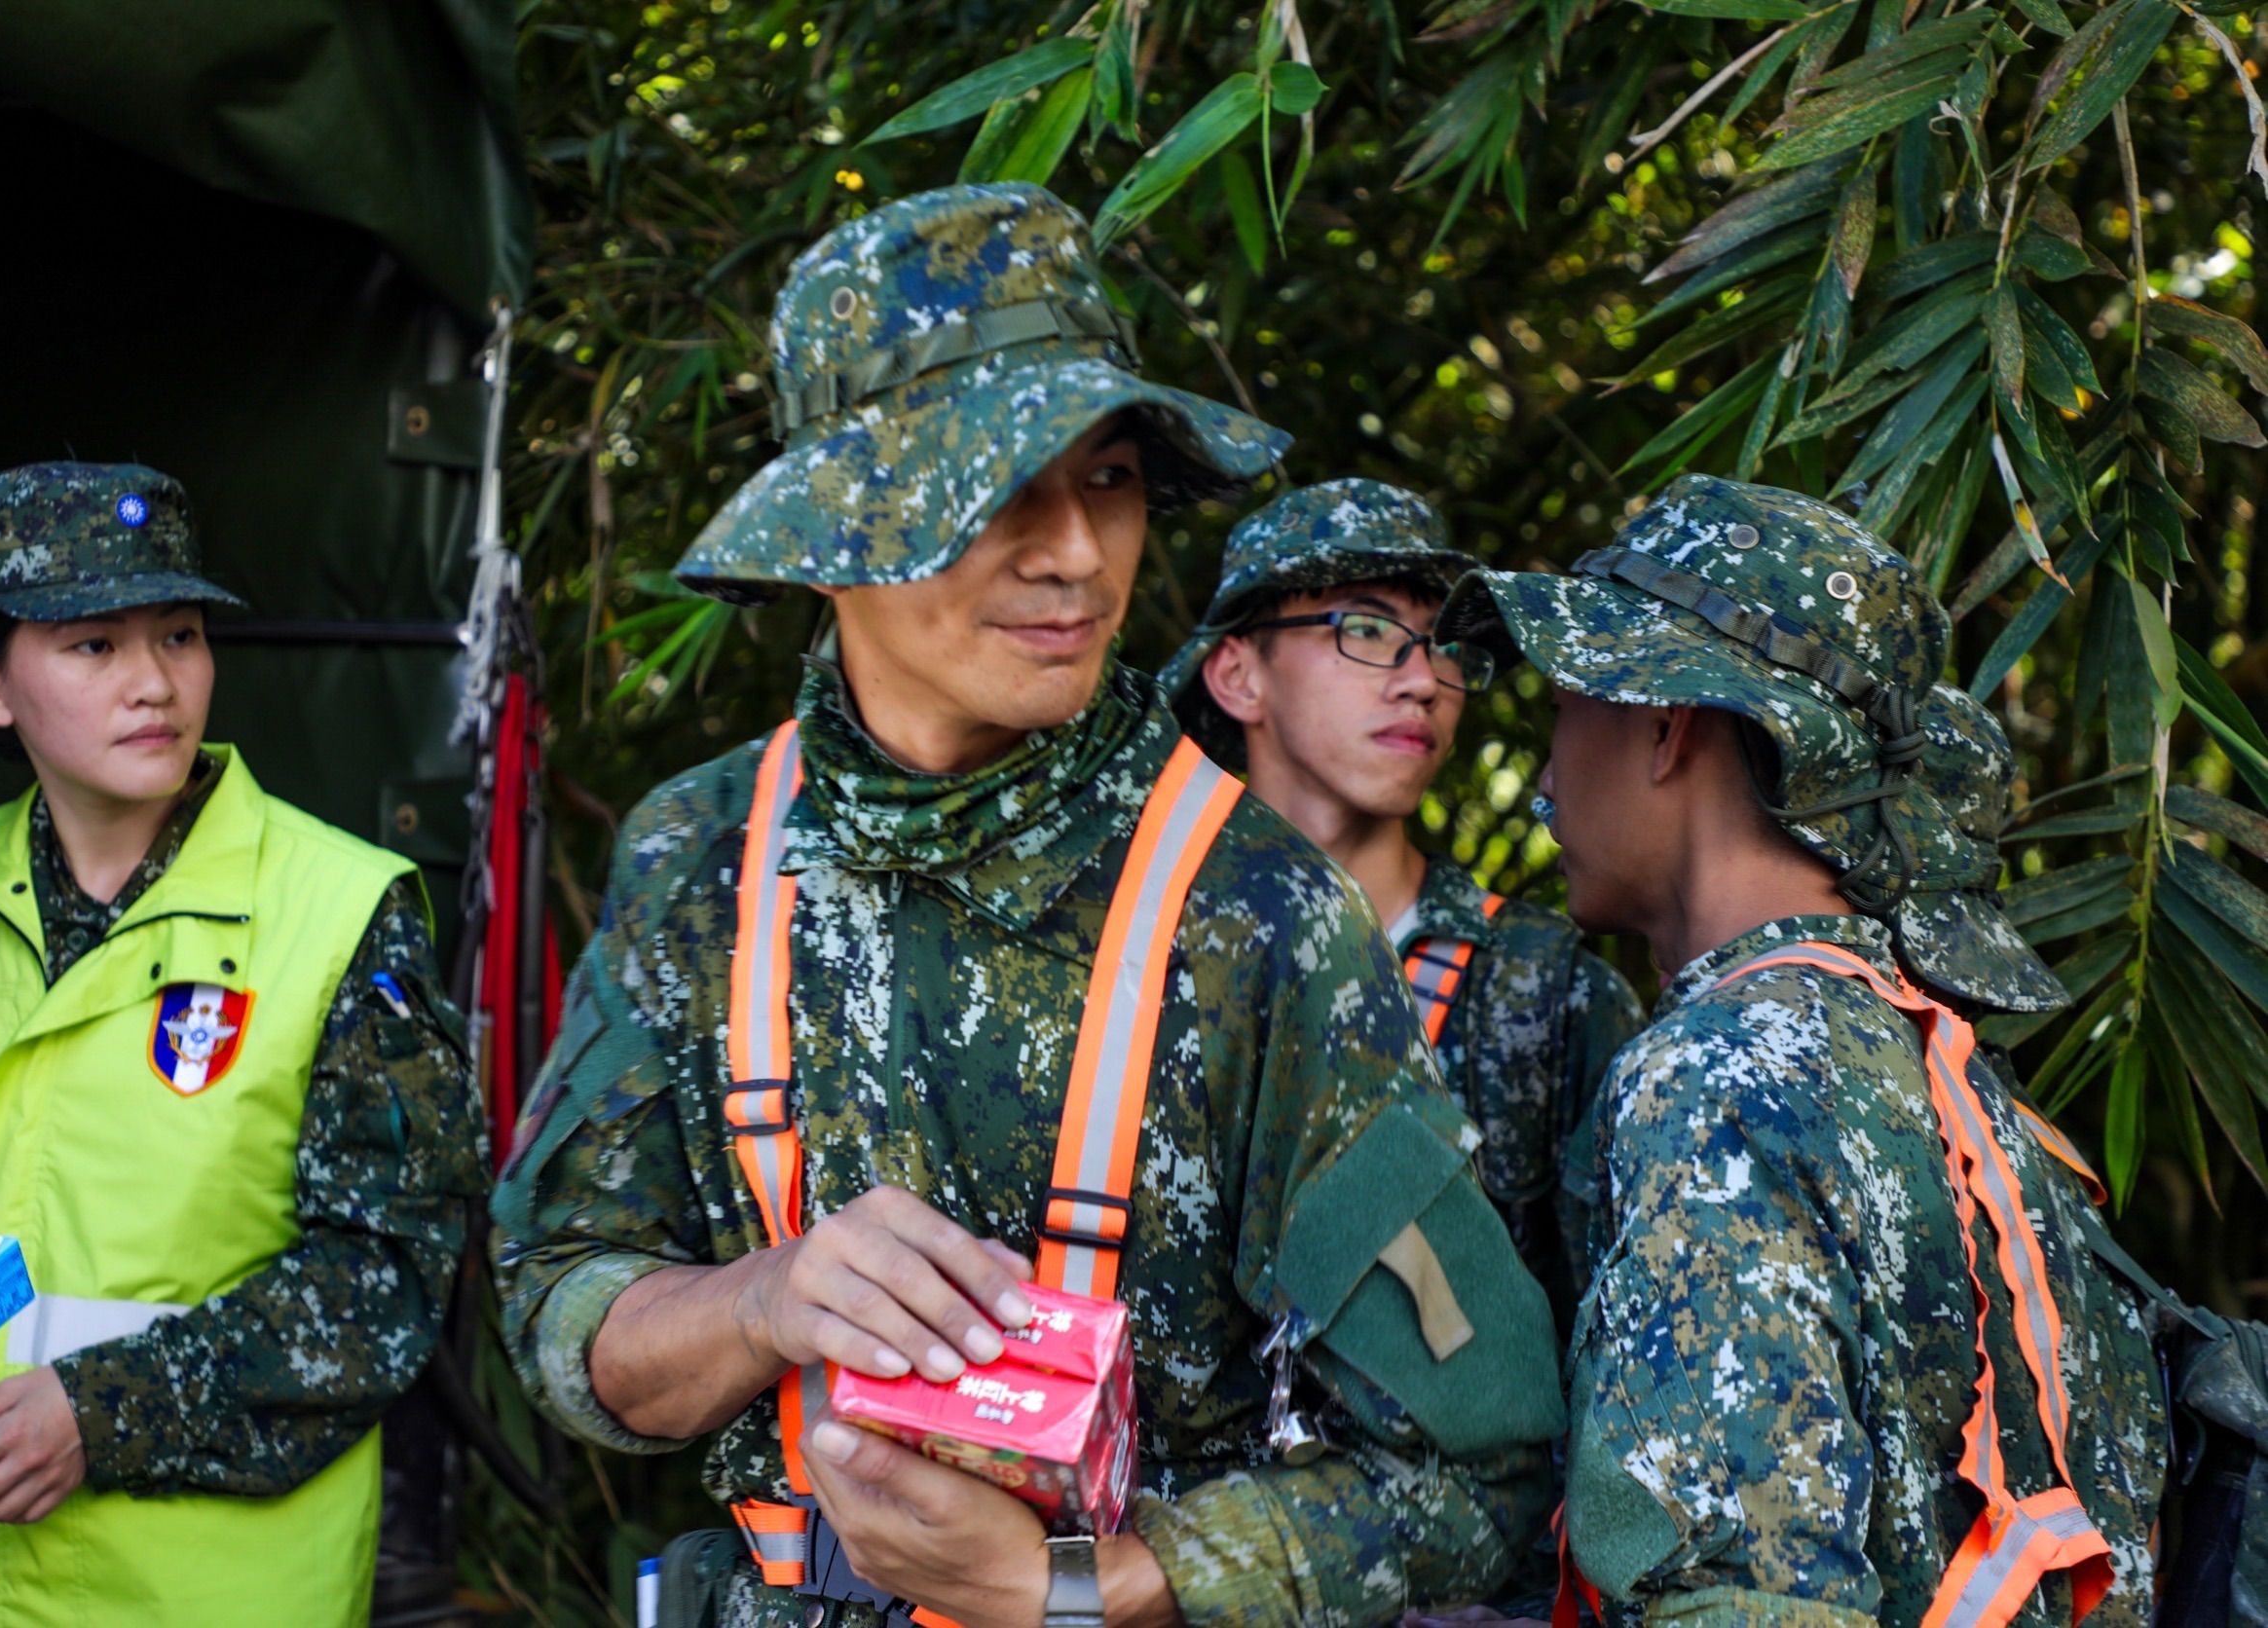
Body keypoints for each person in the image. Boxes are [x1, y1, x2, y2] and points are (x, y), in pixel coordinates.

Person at [492, 183, 1566, 1628]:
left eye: (1109, 478)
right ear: (838, 529)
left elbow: (1476, 1468)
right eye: (999, 485)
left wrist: (1081, 1586)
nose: (1076, 553)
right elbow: (560, 1305)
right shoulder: (701, 855)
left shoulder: (1247, 909)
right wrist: (764, 1298)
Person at [1444, 474, 2168, 1625]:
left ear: (1663, 722)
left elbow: (1735, 1597)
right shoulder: (1937, 1064)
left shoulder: (1719, 1077)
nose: (1541, 775)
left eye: (1564, 709)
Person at [0, 462, 489, 1625]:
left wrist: (104, 1410)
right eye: (94, 645)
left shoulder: (340, 905)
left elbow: (386, 1280)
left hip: (204, 1589)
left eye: (182, 635)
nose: (155, 683)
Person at [1159, 479, 1642, 1316]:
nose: (1423, 680)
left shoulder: (1547, 993)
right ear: (1239, 676)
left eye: (1447, 647)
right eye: (1368, 629)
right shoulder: (1128, 953)